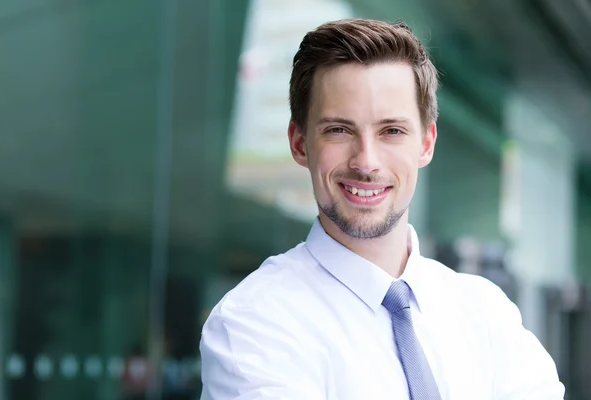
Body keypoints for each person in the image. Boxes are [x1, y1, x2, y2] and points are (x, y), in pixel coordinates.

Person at [199, 19, 565, 399]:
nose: (366, 162)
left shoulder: (487, 314)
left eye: (391, 131)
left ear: (425, 143)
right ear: (299, 143)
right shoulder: (255, 323)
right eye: (339, 130)